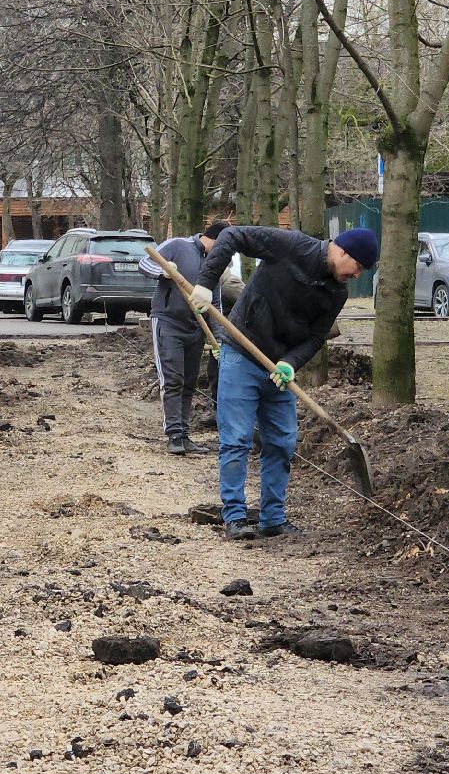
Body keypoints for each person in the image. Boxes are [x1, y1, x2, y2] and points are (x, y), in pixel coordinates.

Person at [190, 226, 378, 541]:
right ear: (343, 252)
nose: (357, 274)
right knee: (236, 439)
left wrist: (291, 363)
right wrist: (206, 283)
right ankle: (235, 517)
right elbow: (233, 236)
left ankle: (273, 518)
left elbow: (318, 335)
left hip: (278, 370)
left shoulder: (337, 292)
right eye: (358, 267)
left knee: (282, 443)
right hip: (242, 352)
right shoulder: (291, 246)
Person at [139, 221, 230, 455]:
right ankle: (174, 434)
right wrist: (164, 271)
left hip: (196, 328)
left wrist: (217, 339)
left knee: (189, 382)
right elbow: (145, 263)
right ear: (215, 240)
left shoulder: (214, 264)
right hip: (168, 323)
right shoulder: (178, 245)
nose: (225, 254)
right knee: (173, 379)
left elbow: (214, 304)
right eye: (225, 248)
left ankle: (185, 435)